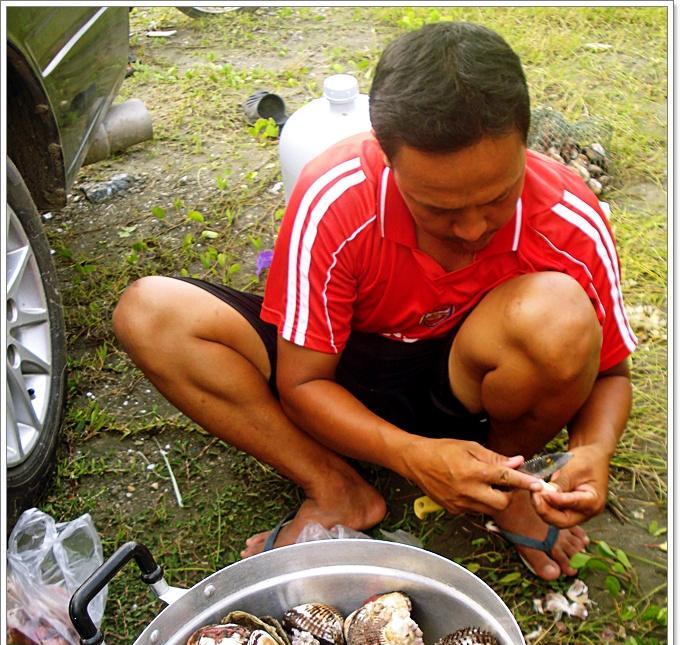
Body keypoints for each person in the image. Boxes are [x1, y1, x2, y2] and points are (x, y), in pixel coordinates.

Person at [113, 21, 636, 581]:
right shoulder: (335, 198)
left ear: (525, 147)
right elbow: (305, 383)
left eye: (498, 197)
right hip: (346, 372)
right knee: (149, 313)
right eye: (437, 208)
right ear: (386, 160)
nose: (471, 228)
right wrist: (411, 455)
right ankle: (335, 486)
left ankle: (505, 486)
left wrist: (594, 448)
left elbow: (610, 375)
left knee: (558, 315)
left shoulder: (568, 217)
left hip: (463, 383)